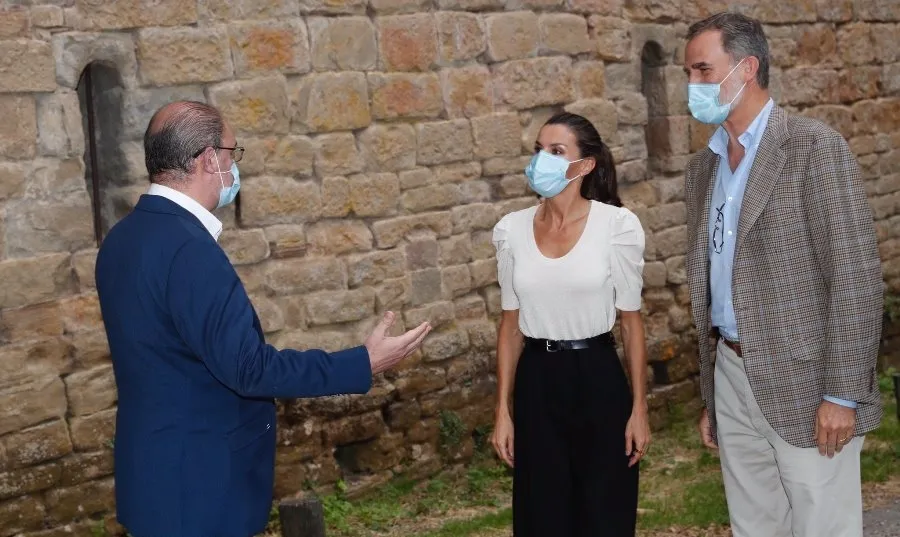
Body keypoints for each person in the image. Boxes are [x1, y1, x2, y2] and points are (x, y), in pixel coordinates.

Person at [95, 101, 432, 537]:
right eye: (233, 153)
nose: (235, 167)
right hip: (201, 488)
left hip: (155, 480)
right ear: (207, 160)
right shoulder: (190, 251)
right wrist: (361, 363)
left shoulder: (121, 239)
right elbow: (249, 369)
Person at [682, 13, 883, 537]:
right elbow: (714, 284)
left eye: (703, 71)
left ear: (746, 68)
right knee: (754, 527)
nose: (692, 86)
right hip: (732, 371)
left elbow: (855, 276)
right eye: (687, 73)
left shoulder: (813, 148)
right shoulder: (702, 168)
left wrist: (842, 395)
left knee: (824, 526)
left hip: (808, 381)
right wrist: (713, 394)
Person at [490, 112, 651, 537]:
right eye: (538, 149)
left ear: (584, 165)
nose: (542, 159)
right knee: (541, 513)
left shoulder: (616, 227)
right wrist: (502, 412)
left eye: (556, 151)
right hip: (537, 381)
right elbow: (509, 327)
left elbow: (632, 325)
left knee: (604, 512)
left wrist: (639, 408)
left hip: (598, 376)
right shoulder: (511, 230)